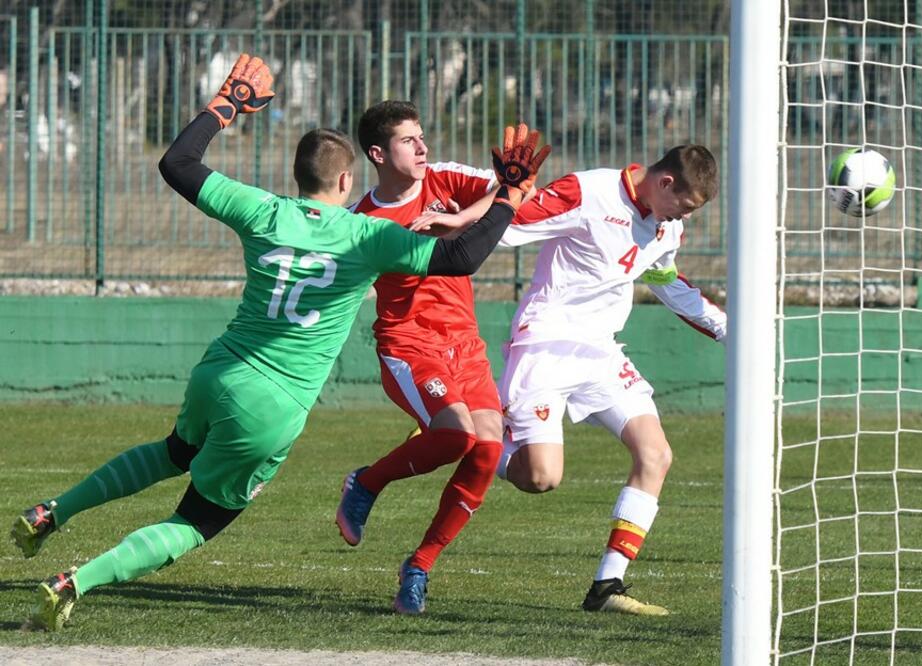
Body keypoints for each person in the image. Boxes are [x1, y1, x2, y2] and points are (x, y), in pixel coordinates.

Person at [9, 54, 548, 631]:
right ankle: (75, 582)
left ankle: (52, 511)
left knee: (173, 452)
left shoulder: (262, 209)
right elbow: (461, 258)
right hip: (272, 405)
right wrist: (510, 197)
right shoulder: (367, 234)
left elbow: (179, 163)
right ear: (348, 181)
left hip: (218, 371)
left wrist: (224, 108)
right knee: (198, 519)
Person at [423, 146, 727, 615]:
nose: (682, 218)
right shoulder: (589, 190)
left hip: (600, 352)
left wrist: (732, 331)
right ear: (666, 183)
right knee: (540, 478)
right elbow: (514, 219)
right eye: (684, 206)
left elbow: (667, 282)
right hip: (545, 344)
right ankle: (466, 438)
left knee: (656, 453)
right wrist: (458, 220)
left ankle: (607, 585)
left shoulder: (668, 227)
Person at [333, 100, 550, 615]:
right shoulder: (364, 221)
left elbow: (521, 193)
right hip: (409, 345)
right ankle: (365, 483)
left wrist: (465, 214)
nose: (424, 147)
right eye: (410, 141)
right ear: (378, 154)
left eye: (423, 135)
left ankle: (420, 565)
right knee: (455, 436)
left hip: (465, 344)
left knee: (486, 450)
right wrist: (451, 230)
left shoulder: (446, 178)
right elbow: (455, 256)